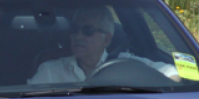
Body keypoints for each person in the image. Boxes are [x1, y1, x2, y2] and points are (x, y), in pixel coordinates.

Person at [28, 8, 178, 84]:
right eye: (75, 30)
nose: (78, 36)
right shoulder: (51, 71)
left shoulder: (127, 64)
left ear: (106, 39)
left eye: (88, 30)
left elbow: (172, 71)